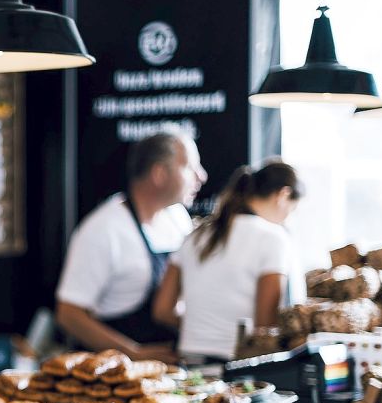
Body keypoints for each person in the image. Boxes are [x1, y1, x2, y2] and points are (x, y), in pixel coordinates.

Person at [56, 131, 208, 363]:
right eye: (189, 167)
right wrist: (133, 354)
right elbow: (69, 315)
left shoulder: (177, 218)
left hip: (168, 367)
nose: (201, 176)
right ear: (159, 174)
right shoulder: (103, 230)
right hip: (112, 373)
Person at [152, 161, 304, 366]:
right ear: (283, 196)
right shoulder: (273, 238)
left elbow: (162, 310)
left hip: (189, 362)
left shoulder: (195, 235)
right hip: (238, 366)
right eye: (292, 210)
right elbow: (265, 327)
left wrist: (201, 328)